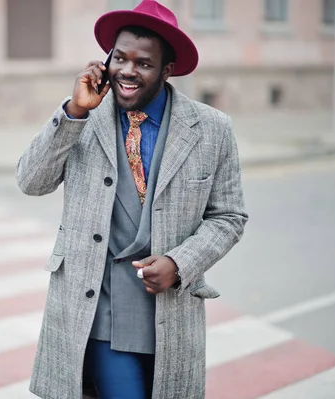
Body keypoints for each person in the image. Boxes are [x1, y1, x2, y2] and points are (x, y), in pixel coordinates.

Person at [16, 1, 248, 398]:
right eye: (120, 58)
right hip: (98, 313)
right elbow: (31, 181)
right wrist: (73, 112)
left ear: (166, 71)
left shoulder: (211, 129)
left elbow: (228, 216)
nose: (127, 70)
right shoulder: (83, 118)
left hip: (171, 315)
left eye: (143, 63)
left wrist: (180, 262)